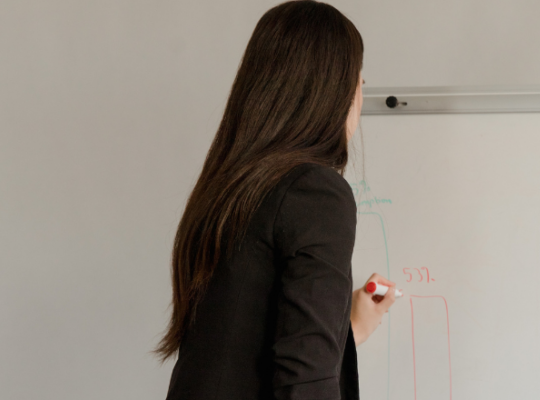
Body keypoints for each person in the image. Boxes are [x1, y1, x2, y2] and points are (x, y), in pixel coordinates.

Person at [155, 1, 397, 399]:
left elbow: (239, 349)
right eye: (359, 83)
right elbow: (305, 384)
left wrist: (348, 326)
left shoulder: (228, 189)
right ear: (333, 92)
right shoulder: (316, 192)